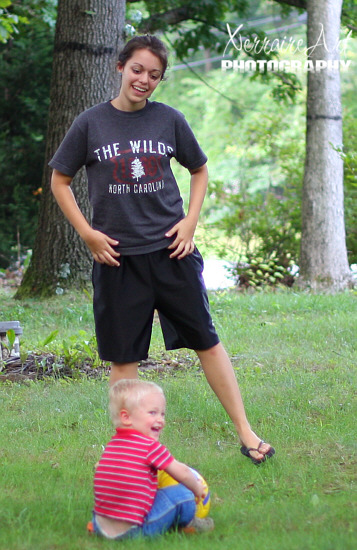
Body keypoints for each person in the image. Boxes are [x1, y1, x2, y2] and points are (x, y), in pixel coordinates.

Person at [50, 34, 275, 465]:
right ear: (120, 68)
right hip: (116, 258)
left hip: (172, 253)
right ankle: (129, 457)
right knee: (123, 359)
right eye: (137, 70)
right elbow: (60, 180)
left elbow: (200, 169)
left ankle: (246, 433)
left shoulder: (169, 119)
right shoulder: (90, 124)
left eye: (154, 75)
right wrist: (87, 234)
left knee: (207, 341)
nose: (144, 80)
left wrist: (190, 221)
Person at [89, 379, 213, 538]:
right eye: (152, 413)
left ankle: (101, 529)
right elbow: (181, 473)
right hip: (135, 531)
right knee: (183, 494)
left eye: (162, 413)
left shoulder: (113, 444)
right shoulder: (150, 447)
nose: (160, 419)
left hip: (100, 526)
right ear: (126, 417)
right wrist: (196, 488)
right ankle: (190, 525)